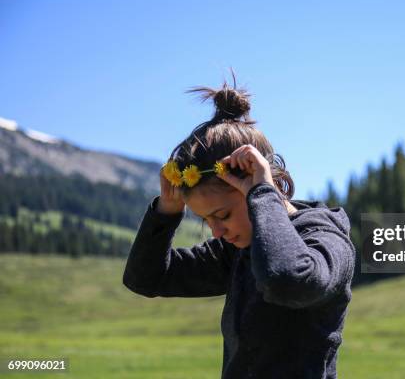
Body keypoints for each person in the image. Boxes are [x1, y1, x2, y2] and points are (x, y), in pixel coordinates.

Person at [122, 75, 356, 379]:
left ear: (261, 185)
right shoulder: (237, 250)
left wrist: (261, 193)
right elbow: (146, 278)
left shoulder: (325, 237)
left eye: (223, 214)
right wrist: (165, 214)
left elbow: (285, 280)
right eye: (207, 220)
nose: (217, 232)